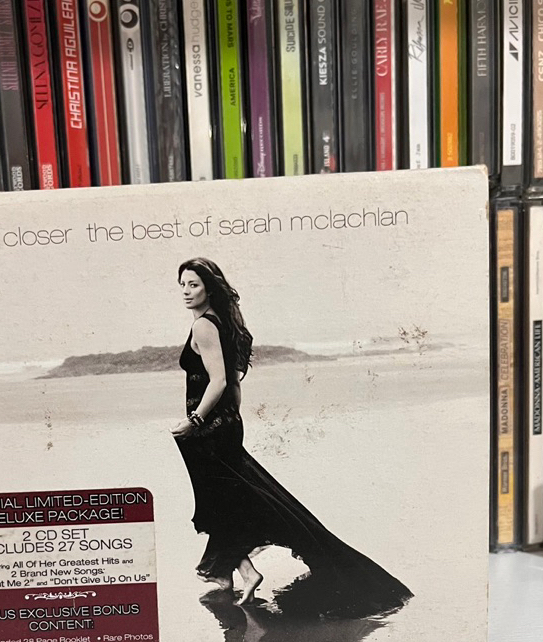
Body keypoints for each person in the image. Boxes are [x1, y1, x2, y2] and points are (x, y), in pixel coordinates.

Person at [170, 257, 413, 616]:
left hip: (208, 427)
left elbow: (219, 381)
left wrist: (196, 420)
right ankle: (234, 573)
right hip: (224, 424)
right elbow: (233, 385)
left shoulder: (204, 327)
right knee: (229, 500)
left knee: (225, 501)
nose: (186, 292)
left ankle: (237, 573)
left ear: (209, 287)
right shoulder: (222, 323)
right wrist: (231, 420)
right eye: (182, 285)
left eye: (193, 284)